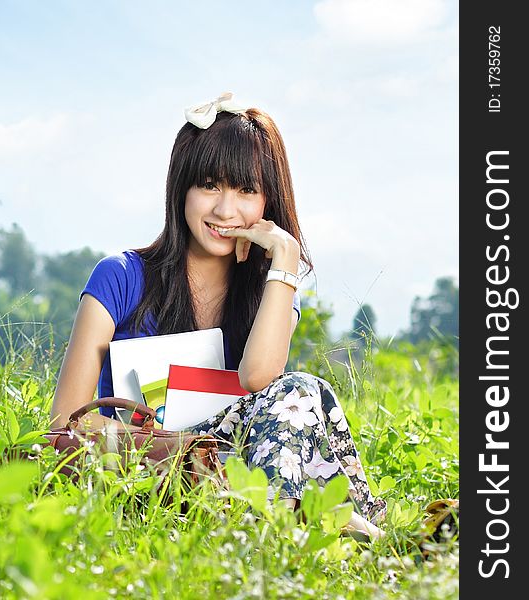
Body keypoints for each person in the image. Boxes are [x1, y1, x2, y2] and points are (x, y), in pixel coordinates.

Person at [50, 93, 386, 540]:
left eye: (246, 190)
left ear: (269, 200)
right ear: (181, 189)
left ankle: (296, 522)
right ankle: (324, 525)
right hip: (151, 469)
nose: (225, 210)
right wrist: (178, 447)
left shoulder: (273, 288)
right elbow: (66, 420)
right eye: (209, 184)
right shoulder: (121, 276)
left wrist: (285, 257)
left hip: (241, 475)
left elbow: (258, 378)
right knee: (303, 392)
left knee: (307, 391)